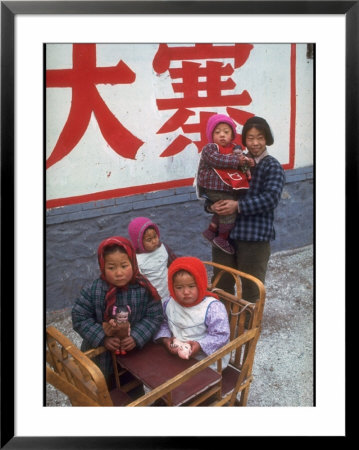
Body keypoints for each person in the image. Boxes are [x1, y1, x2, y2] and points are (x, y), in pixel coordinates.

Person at [208, 116, 286, 303]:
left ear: (267, 138)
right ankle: (221, 326)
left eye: (260, 137)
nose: (255, 143)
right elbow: (214, 188)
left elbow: (270, 199)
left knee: (251, 288)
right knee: (221, 284)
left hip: (254, 237)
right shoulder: (235, 161)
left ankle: (250, 329)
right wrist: (211, 205)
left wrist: (238, 205)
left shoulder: (272, 166)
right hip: (225, 236)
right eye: (250, 138)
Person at [72, 236, 164, 386]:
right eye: (111, 267)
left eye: (124, 265)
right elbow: (79, 317)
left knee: (133, 390)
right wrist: (103, 338)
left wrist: (136, 336)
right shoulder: (94, 290)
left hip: (133, 355)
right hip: (100, 357)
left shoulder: (143, 288)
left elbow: (155, 315)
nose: (119, 273)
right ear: (102, 266)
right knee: (102, 392)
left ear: (133, 263)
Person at [154, 256, 230, 369]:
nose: (186, 292)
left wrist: (199, 345)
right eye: (179, 287)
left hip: (207, 359)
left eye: (191, 286)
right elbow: (163, 322)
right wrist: (166, 340)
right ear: (171, 287)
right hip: (177, 353)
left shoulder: (213, 308)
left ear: (200, 284)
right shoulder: (169, 303)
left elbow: (221, 334)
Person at [196, 113, 255, 255]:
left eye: (226, 132)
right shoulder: (210, 149)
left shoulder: (235, 149)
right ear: (211, 135)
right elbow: (217, 160)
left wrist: (248, 163)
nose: (222, 135)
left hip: (226, 187)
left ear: (232, 135)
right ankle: (222, 238)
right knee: (229, 212)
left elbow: (243, 160)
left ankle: (211, 231)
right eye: (217, 132)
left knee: (221, 209)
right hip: (214, 187)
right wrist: (237, 161)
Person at [128, 217, 177, 301]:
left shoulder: (163, 248)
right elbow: (139, 282)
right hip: (152, 298)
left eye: (155, 236)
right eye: (149, 239)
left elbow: (175, 263)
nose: (154, 241)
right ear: (138, 242)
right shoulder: (137, 259)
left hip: (169, 292)